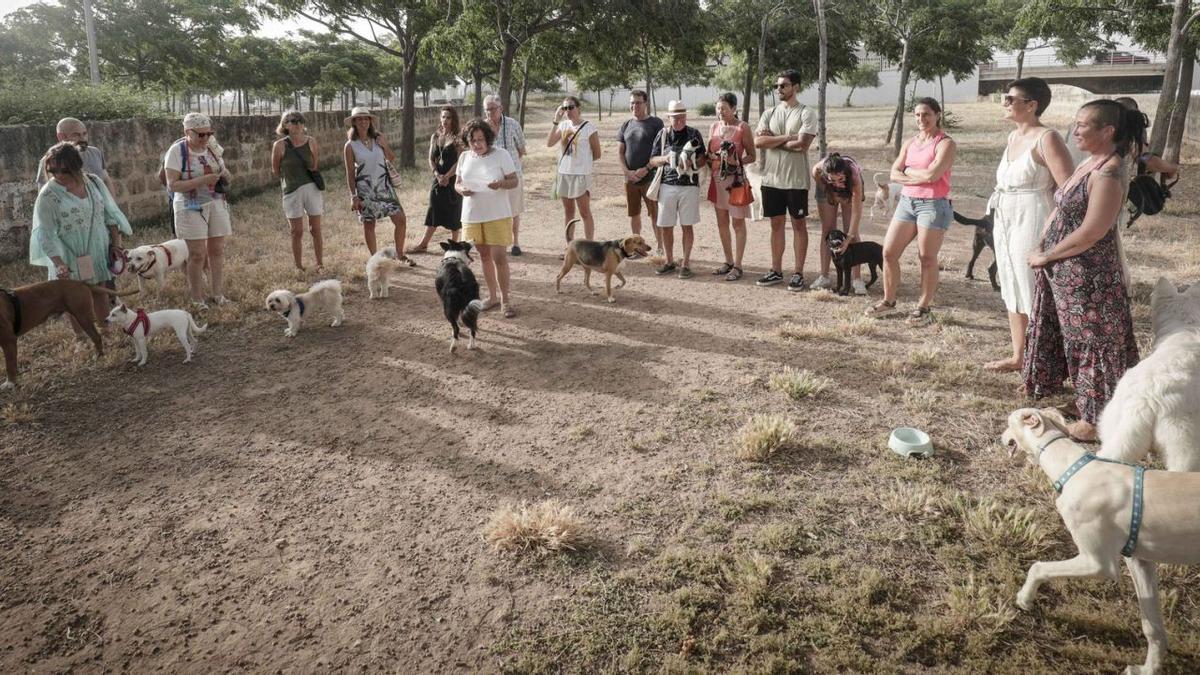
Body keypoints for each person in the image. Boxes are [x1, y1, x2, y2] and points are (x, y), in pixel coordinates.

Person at [1023, 99, 1144, 442]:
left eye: (1083, 125)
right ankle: (1085, 402)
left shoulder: (1109, 172)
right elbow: (1061, 207)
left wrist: (1048, 256)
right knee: (1075, 340)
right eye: (1075, 124)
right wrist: (1042, 246)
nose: (1074, 130)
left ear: (1108, 131)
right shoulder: (1091, 163)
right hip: (1068, 274)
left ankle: (1095, 422)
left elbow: (1092, 231)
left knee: (1094, 344)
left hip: (1090, 279)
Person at [984, 78, 1074, 372]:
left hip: (1034, 216)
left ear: (1032, 105)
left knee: (1032, 285)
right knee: (1010, 281)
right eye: (1005, 98)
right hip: (1006, 217)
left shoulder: (1047, 138)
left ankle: (1046, 362)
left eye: (1011, 98)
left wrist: (1049, 231)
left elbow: (1068, 191)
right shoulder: (1013, 137)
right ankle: (1019, 355)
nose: (1005, 103)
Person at [865, 98, 956, 323]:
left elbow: (933, 176)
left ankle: (924, 308)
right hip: (907, 203)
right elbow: (894, 173)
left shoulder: (945, 143)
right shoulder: (910, 143)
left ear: (937, 115)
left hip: (933, 204)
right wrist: (919, 173)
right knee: (888, 252)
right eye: (917, 115)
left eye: (926, 114)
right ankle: (889, 302)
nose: (921, 119)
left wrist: (910, 172)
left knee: (926, 257)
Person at [30, 142, 131, 317]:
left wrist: (116, 245)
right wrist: (59, 263)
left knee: (100, 291)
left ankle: (104, 330)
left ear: (76, 166)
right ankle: (82, 340)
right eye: (53, 171)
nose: (58, 175)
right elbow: (45, 234)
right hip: (69, 254)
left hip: (97, 248)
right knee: (75, 301)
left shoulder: (93, 182)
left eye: (64, 170)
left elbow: (110, 215)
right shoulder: (48, 196)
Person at [754, 69, 818, 291]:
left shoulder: (806, 113)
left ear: (796, 87)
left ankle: (798, 273)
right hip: (771, 179)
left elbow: (803, 144)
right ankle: (776, 270)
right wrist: (787, 138)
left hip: (796, 181)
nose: (778, 89)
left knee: (799, 225)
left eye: (783, 85)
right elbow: (759, 142)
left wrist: (774, 140)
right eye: (776, 86)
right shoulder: (769, 113)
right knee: (776, 224)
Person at [163, 112, 232, 309]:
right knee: (197, 254)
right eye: (200, 135)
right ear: (187, 132)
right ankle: (197, 298)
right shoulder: (177, 151)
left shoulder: (212, 147)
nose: (206, 138)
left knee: (217, 250)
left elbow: (225, 171)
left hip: (216, 202)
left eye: (209, 133)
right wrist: (202, 180)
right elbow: (173, 185)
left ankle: (217, 294)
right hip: (189, 206)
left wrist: (226, 175)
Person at [457, 118, 520, 318]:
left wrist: (501, 183)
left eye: (481, 139)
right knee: (484, 256)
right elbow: (457, 183)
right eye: (473, 140)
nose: (477, 144)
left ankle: (505, 301)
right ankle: (492, 297)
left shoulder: (502, 154)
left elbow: (514, 181)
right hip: (472, 214)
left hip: (497, 214)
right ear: (467, 141)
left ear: (488, 138)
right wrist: (461, 190)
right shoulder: (465, 157)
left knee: (499, 257)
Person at [343, 106, 413, 259]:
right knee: (369, 225)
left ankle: (400, 255)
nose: (363, 122)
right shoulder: (350, 145)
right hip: (365, 190)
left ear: (370, 121)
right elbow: (349, 173)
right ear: (354, 122)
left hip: (385, 187)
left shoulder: (378, 138)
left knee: (400, 219)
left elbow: (391, 158)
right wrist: (353, 196)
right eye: (359, 119)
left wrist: (385, 145)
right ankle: (375, 259)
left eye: (366, 118)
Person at [647, 100, 706, 278]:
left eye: (682, 117)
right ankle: (669, 261)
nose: (679, 121)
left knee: (687, 225)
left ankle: (686, 264)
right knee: (666, 225)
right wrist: (666, 159)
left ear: (685, 117)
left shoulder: (694, 133)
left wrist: (691, 162)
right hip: (667, 185)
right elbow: (652, 161)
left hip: (689, 186)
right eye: (675, 118)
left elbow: (704, 159)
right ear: (669, 118)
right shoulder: (663, 134)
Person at [706, 92, 755, 281]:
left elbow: (752, 155)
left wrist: (736, 161)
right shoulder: (714, 127)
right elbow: (709, 152)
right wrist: (712, 157)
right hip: (717, 180)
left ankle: (738, 265)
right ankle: (727, 261)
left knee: (738, 223)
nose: (720, 112)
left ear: (734, 108)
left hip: (735, 182)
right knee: (722, 222)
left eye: (724, 108)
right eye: (718, 108)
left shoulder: (743, 128)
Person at [271, 110, 324, 272]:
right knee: (296, 231)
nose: (298, 124)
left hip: (312, 188)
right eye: (293, 121)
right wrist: (291, 179)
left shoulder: (311, 142)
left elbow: (314, 165)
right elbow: (276, 170)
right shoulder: (279, 145)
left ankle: (320, 263)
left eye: (301, 120)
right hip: (292, 190)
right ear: (285, 125)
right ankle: (299, 265)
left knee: (315, 229)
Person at [811, 153, 867, 294]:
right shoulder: (818, 170)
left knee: (851, 232)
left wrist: (848, 239)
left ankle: (857, 279)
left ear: (846, 174)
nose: (837, 183)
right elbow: (816, 176)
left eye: (840, 179)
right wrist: (829, 191)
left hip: (849, 190)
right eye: (833, 179)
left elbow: (856, 213)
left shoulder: (854, 177)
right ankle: (824, 277)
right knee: (828, 230)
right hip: (826, 188)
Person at [546, 95, 601, 241]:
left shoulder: (589, 127)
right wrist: (556, 120)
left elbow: (597, 153)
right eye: (565, 108)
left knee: (584, 212)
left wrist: (583, 163)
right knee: (568, 212)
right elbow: (550, 143)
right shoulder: (563, 125)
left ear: (579, 108)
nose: (568, 111)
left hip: (581, 175)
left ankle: (589, 247)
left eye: (571, 107)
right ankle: (569, 246)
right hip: (564, 173)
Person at [410, 106, 463, 253]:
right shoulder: (435, 136)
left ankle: (455, 245)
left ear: (454, 120)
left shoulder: (458, 138)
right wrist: (437, 174)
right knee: (433, 209)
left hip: (452, 180)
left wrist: (447, 176)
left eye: (449, 117)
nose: (445, 120)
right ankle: (424, 244)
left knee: (454, 212)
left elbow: (459, 161)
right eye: (443, 117)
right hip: (437, 179)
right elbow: (430, 158)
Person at [617, 90, 665, 253]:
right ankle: (636, 249)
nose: (634, 106)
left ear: (646, 104)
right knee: (634, 214)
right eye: (632, 102)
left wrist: (647, 169)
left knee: (655, 214)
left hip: (650, 178)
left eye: (638, 102)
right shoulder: (626, 125)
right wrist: (627, 172)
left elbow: (660, 150)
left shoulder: (656, 124)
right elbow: (620, 152)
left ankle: (660, 248)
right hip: (630, 179)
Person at [484, 95, 527, 256]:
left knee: (514, 211)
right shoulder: (483, 127)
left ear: (501, 108)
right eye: (487, 110)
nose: (490, 113)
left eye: (493, 109)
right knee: (493, 211)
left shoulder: (513, 124)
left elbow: (522, 150)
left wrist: (511, 168)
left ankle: (515, 242)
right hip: (491, 178)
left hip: (512, 176)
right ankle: (497, 241)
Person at [36, 117, 115, 196]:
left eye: (84, 134)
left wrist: (113, 206)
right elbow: (43, 193)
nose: (83, 139)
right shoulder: (50, 161)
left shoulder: (95, 152)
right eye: (76, 135)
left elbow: (106, 181)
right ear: (61, 137)